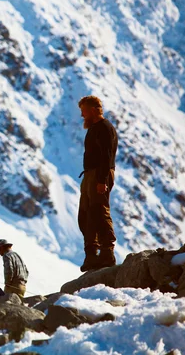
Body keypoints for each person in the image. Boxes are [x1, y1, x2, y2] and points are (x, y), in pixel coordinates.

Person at [78, 95, 118, 272]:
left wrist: (101, 180)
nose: (82, 115)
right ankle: (91, 254)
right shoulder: (94, 128)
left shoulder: (104, 128)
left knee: (99, 210)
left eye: (84, 111)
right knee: (86, 214)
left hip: (99, 174)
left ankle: (107, 252)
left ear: (94, 110)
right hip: (89, 175)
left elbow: (106, 156)